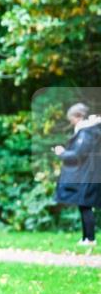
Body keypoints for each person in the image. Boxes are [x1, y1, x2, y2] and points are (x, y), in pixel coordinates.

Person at [53, 103, 101, 245]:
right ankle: (86, 237)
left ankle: (90, 239)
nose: (71, 122)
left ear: (78, 116)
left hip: (87, 175)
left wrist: (61, 153)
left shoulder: (86, 133)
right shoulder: (91, 131)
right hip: (90, 174)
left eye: (72, 119)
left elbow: (77, 155)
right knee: (84, 205)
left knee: (85, 205)